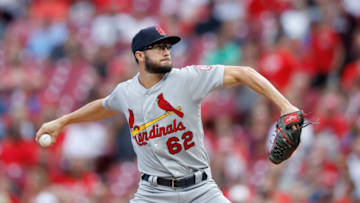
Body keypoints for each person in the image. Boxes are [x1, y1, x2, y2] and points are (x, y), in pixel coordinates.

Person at [35, 26, 300, 203]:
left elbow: (243, 72)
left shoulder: (188, 78)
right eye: (158, 47)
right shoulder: (126, 92)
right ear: (140, 55)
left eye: (167, 46)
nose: (165, 51)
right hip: (153, 192)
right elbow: (103, 106)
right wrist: (62, 121)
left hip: (200, 188)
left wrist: (286, 105)